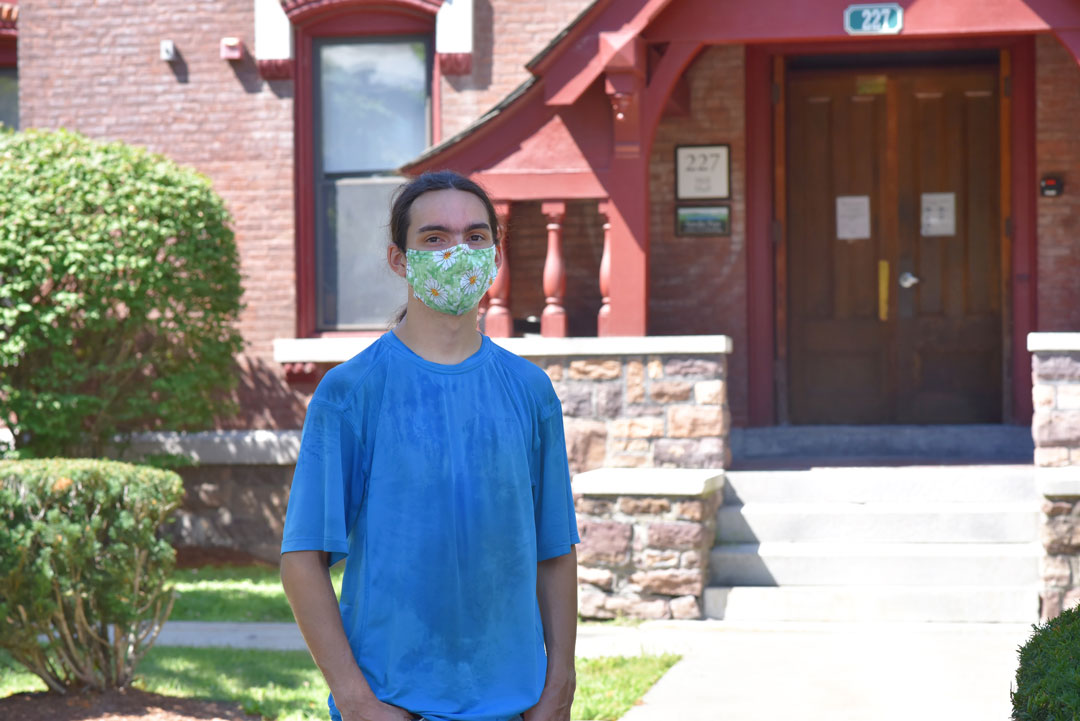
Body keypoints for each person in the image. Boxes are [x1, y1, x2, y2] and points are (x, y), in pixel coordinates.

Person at [280, 170, 580, 721]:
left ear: (494, 253)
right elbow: (302, 559)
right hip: (393, 703)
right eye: (434, 238)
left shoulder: (531, 391)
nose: (457, 252)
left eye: (474, 236)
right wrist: (356, 700)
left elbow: (555, 549)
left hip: (517, 705)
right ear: (400, 259)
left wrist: (560, 684)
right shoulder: (350, 392)